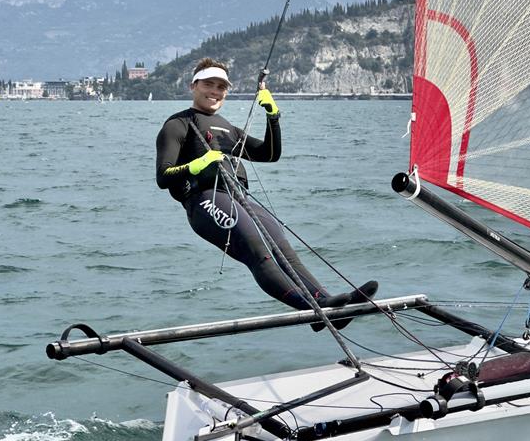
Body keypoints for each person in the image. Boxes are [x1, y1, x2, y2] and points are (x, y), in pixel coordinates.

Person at [155, 58, 377, 329]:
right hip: (204, 202)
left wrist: (273, 118)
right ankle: (316, 312)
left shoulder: (226, 126)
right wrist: (195, 164)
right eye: (208, 84)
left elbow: (269, 154)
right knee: (260, 253)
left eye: (221, 86)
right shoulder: (177, 125)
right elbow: (163, 177)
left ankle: (327, 303)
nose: (214, 91)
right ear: (193, 86)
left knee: (284, 250)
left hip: (239, 199)